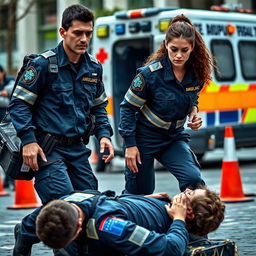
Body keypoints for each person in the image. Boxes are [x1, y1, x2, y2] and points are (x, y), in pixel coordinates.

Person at [10, 4, 114, 255]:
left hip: (78, 150)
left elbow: (99, 107)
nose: (84, 39)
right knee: (66, 210)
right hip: (48, 151)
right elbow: (19, 104)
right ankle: (29, 233)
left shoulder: (93, 67)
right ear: (62, 32)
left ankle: (26, 228)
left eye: (88, 33)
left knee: (90, 205)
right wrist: (28, 141)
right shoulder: (43, 64)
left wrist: (104, 135)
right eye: (78, 33)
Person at [119, 14, 214, 195]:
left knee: (193, 181)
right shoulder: (149, 75)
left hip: (173, 138)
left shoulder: (196, 74)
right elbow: (127, 108)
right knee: (140, 193)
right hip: (143, 138)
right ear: (165, 45)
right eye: (174, 49)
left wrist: (193, 113)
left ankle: (187, 221)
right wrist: (130, 145)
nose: (178, 55)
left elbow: (192, 98)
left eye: (184, 50)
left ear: (192, 48)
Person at [34, 186, 225, 256]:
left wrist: (178, 220)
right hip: (100, 209)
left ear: (188, 212)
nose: (185, 191)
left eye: (189, 194)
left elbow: (172, 249)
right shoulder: (167, 205)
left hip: (95, 225)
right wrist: (142, 199)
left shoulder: (111, 226)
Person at [0, 65, 15, 188]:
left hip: (9, 124)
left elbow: (9, 94)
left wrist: (5, 94)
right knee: (3, 154)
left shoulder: (10, 80)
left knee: (12, 151)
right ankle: (7, 181)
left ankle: (13, 180)